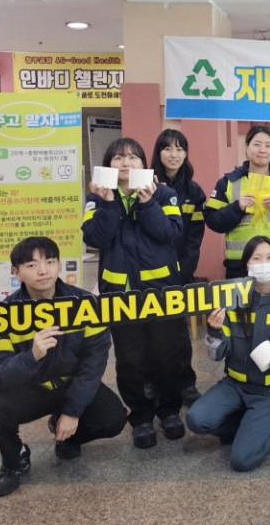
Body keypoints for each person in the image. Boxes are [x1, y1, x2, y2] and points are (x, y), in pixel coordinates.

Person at [0, 236, 127, 497]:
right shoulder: (1, 315)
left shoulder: (86, 304)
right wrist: (31, 356)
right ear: (16, 272)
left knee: (113, 419)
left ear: (59, 266)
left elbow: (93, 365)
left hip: (71, 384)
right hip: (30, 387)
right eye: (31, 265)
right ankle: (14, 461)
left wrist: (72, 411)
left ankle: (68, 435)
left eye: (49, 262)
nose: (43, 270)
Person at [82, 137, 188, 449]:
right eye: (118, 157)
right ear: (108, 164)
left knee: (168, 354)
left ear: (145, 164)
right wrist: (109, 203)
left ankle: (169, 411)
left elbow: (169, 233)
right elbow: (97, 238)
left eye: (133, 157)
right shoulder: (97, 198)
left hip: (161, 291)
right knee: (130, 359)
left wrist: (147, 202)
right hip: (119, 294)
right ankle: (141, 417)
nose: (126, 163)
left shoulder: (164, 193)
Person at [186, 236, 270, 471]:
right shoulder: (232, 301)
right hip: (235, 385)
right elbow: (216, 355)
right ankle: (248, 424)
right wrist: (214, 330)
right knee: (197, 419)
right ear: (247, 265)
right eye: (257, 258)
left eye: (269, 257)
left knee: (242, 460)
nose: (264, 263)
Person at [203, 125, 270, 279]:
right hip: (239, 264)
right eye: (257, 144)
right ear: (247, 147)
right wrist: (237, 208)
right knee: (239, 304)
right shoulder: (228, 182)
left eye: (268, 145)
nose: (262, 150)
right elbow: (213, 221)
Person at [151, 128, 206, 407]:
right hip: (148, 273)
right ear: (158, 152)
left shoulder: (194, 191)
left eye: (180, 149)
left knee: (178, 333)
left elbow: (194, 236)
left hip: (179, 273)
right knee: (148, 332)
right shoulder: (146, 184)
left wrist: (183, 271)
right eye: (168, 148)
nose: (174, 154)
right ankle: (154, 383)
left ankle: (186, 383)